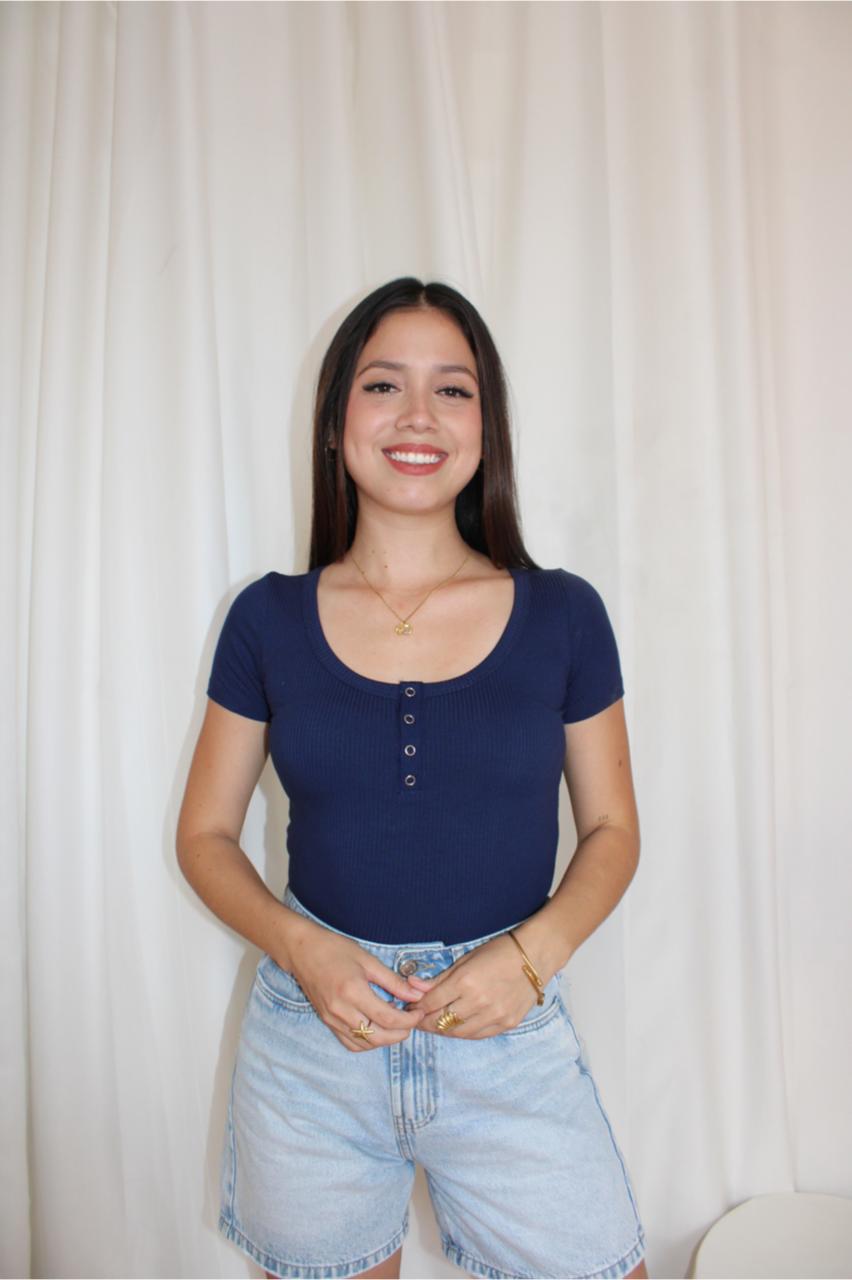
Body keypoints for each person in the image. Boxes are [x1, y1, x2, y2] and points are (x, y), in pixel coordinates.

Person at [176, 277, 649, 1280]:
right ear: (336, 419)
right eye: (385, 384)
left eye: (454, 389)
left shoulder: (564, 613)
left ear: (488, 425)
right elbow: (204, 836)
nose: (419, 416)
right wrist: (304, 949)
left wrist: (529, 960)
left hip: (510, 1038)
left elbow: (613, 829)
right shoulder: (266, 618)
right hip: (314, 1047)